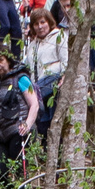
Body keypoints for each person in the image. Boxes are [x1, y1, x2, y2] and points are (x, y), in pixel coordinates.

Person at [0, 45, 38, 189]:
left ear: (8, 60)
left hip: (18, 131)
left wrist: (28, 125)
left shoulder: (21, 79)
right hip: (1, 135)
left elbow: (34, 103)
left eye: (0, 60)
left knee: (18, 172)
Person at [26, 12, 69, 142]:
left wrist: (64, 77)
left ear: (49, 22)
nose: (40, 26)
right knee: (42, 124)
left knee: (54, 122)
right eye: (36, 24)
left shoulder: (59, 36)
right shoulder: (32, 45)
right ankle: (46, 155)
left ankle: (58, 156)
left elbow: (65, 60)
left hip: (53, 83)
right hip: (37, 84)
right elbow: (26, 67)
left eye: (43, 22)